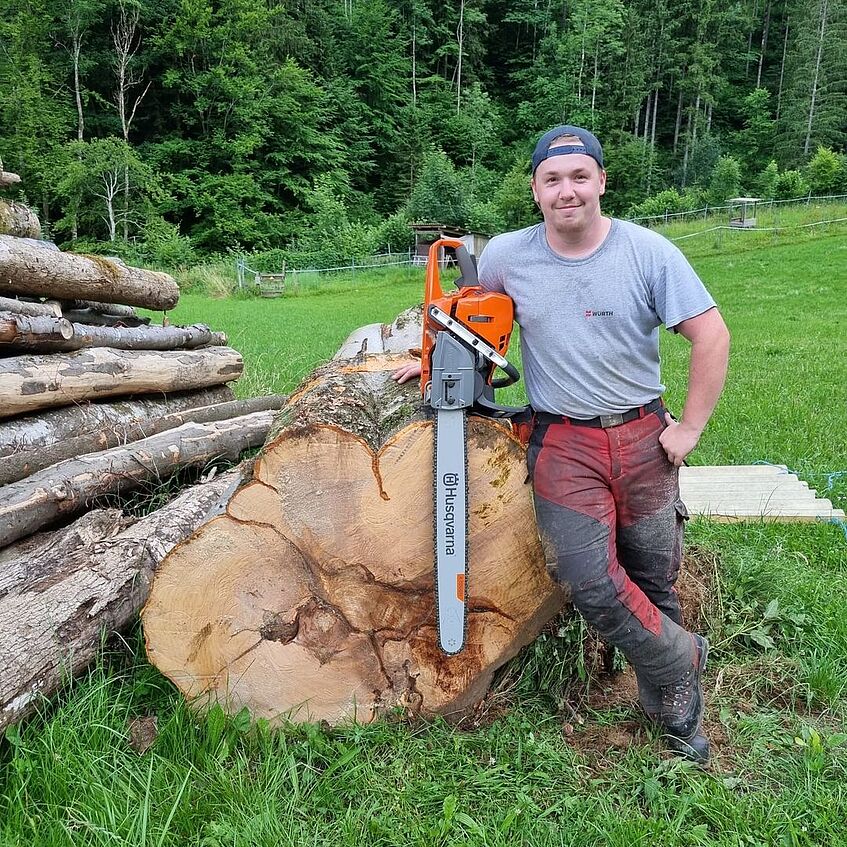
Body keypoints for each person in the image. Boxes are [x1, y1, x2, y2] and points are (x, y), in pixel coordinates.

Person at [394, 125, 730, 764]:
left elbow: (712, 336)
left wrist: (688, 429)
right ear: (535, 190)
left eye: (580, 177)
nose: (567, 191)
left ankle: (676, 717)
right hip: (563, 441)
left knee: (655, 578)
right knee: (588, 580)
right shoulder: (506, 259)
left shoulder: (647, 253)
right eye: (553, 180)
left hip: (643, 438)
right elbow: (474, 326)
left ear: (601, 181)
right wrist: (437, 364)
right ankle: (684, 655)